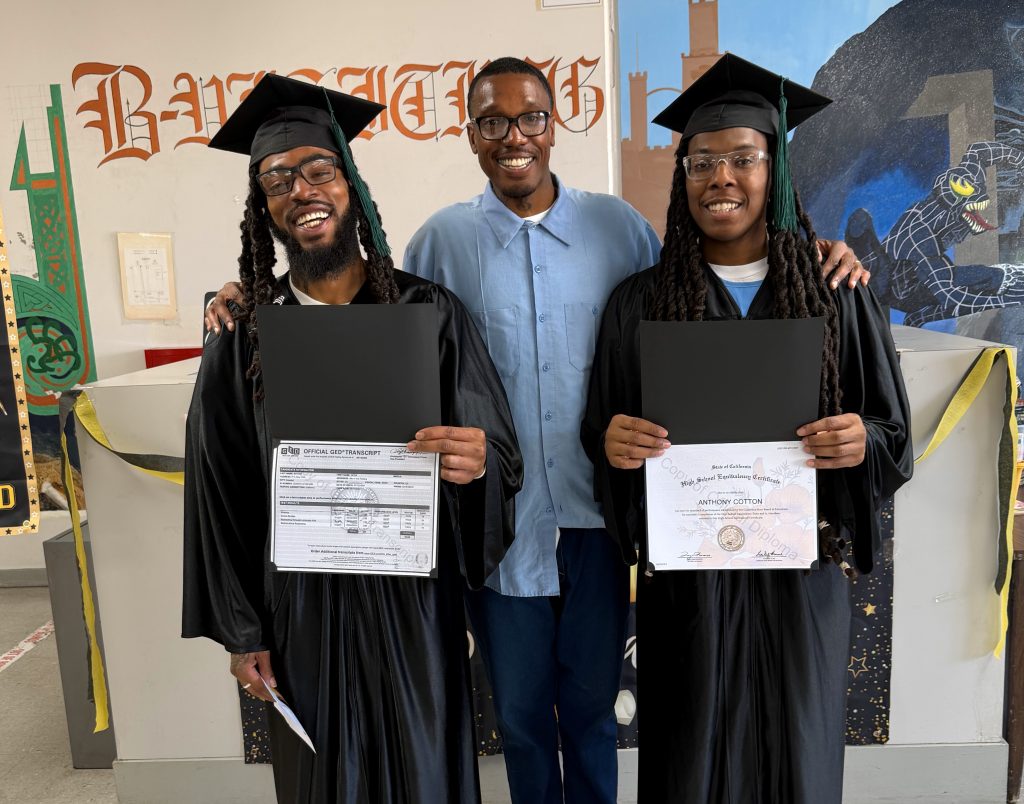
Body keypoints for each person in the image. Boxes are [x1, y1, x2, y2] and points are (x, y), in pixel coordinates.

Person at [203, 58, 870, 804]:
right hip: (502, 530)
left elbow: (680, 323)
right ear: (472, 135)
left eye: (530, 118)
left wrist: (815, 252)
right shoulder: (437, 247)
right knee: (519, 717)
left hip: (594, 520)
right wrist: (243, 292)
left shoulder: (620, 230)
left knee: (592, 713)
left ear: (555, 126)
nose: (513, 135)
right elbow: (400, 354)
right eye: (493, 121)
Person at [580, 54, 913, 803]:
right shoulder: (639, 304)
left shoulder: (835, 291)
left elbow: (893, 435)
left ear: (777, 170)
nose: (720, 177)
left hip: (800, 585)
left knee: (797, 760)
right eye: (702, 162)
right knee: (689, 764)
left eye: (742, 158)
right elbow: (599, 436)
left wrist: (860, 438)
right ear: (682, 177)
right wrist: (614, 446)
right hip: (688, 591)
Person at [182, 74, 522, 804]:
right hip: (299, 612)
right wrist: (244, 633)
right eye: (277, 179)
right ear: (262, 206)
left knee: (425, 773)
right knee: (320, 781)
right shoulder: (243, 335)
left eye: (317, 170)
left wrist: (477, 464)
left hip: (413, 606)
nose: (300, 190)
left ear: (349, 184)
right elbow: (220, 492)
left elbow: (498, 452)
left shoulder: (430, 313)